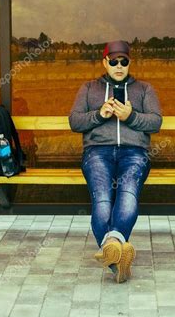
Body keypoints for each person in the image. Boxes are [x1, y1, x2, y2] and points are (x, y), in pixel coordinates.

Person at [69, 40, 162, 283]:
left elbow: (155, 122)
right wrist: (100, 115)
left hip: (134, 152)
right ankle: (118, 252)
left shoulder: (144, 89)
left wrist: (130, 116)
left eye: (124, 61)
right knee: (102, 198)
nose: (118, 66)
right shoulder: (89, 88)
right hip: (97, 151)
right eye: (113, 61)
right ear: (104, 62)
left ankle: (112, 248)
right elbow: (75, 122)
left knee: (128, 193)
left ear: (129, 63)